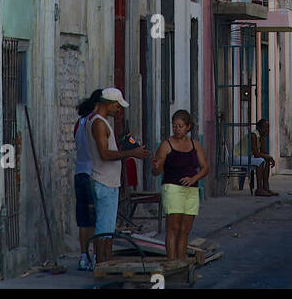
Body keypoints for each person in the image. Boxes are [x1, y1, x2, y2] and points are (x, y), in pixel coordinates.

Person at [86, 88, 149, 263]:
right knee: (104, 228)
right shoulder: (99, 123)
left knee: (106, 227)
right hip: (104, 181)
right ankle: (103, 264)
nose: (119, 110)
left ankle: (106, 262)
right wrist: (133, 153)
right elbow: (104, 154)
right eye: (117, 106)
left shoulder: (96, 120)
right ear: (109, 104)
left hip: (106, 180)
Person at [151, 109, 210, 261]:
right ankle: (172, 262)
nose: (177, 129)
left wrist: (193, 179)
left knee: (185, 229)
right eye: (174, 126)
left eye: (180, 126)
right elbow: (156, 172)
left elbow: (205, 168)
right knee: (173, 228)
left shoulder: (195, 144)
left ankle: (181, 261)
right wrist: (157, 165)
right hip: (172, 189)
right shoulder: (166, 144)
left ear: (188, 127)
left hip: (191, 190)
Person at [73, 88, 100, 270]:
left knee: (84, 220)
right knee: (97, 219)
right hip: (93, 174)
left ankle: (83, 256)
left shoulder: (79, 122)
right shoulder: (96, 122)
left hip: (79, 173)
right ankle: (97, 256)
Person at [250, 119, 277, 197]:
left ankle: (265, 187)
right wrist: (268, 157)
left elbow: (263, 152)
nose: (267, 130)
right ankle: (259, 189)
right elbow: (256, 154)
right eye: (265, 127)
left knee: (266, 160)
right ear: (259, 128)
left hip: (250, 157)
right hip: (239, 156)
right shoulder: (253, 135)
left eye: (268, 127)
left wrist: (263, 139)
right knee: (260, 161)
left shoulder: (260, 137)